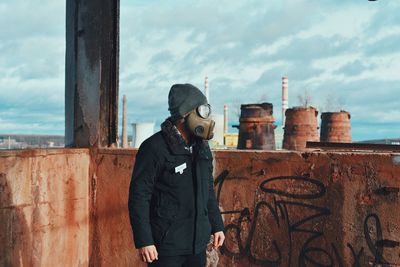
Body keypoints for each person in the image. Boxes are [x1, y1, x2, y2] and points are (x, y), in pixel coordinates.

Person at [128, 83, 225, 267]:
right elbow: (139, 197)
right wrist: (144, 240)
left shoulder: (202, 148)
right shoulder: (154, 148)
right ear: (184, 115)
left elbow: (207, 191)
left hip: (197, 245)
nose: (206, 117)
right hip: (166, 247)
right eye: (201, 111)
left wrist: (217, 225)